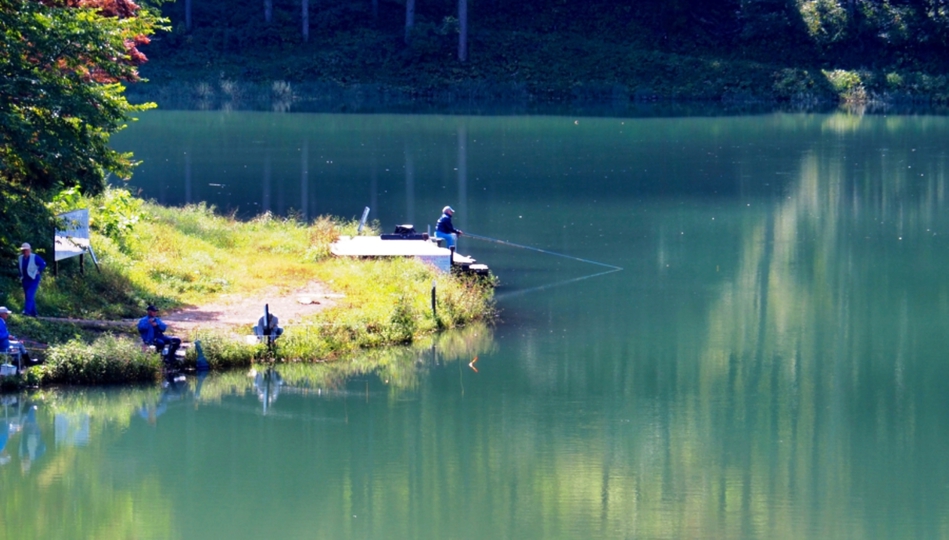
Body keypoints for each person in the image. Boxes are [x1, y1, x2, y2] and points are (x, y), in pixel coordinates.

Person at [17, 243, 46, 317]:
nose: (25, 251)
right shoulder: (20, 258)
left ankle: (26, 312)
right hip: (25, 279)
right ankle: (34, 313)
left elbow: (43, 263)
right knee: (28, 296)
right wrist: (20, 275)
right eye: (23, 250)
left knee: (30, 294)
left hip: (33, 279)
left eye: (26, 250)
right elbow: (19, 267)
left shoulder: (34, 257)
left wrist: (38, 271)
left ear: (29, 250)